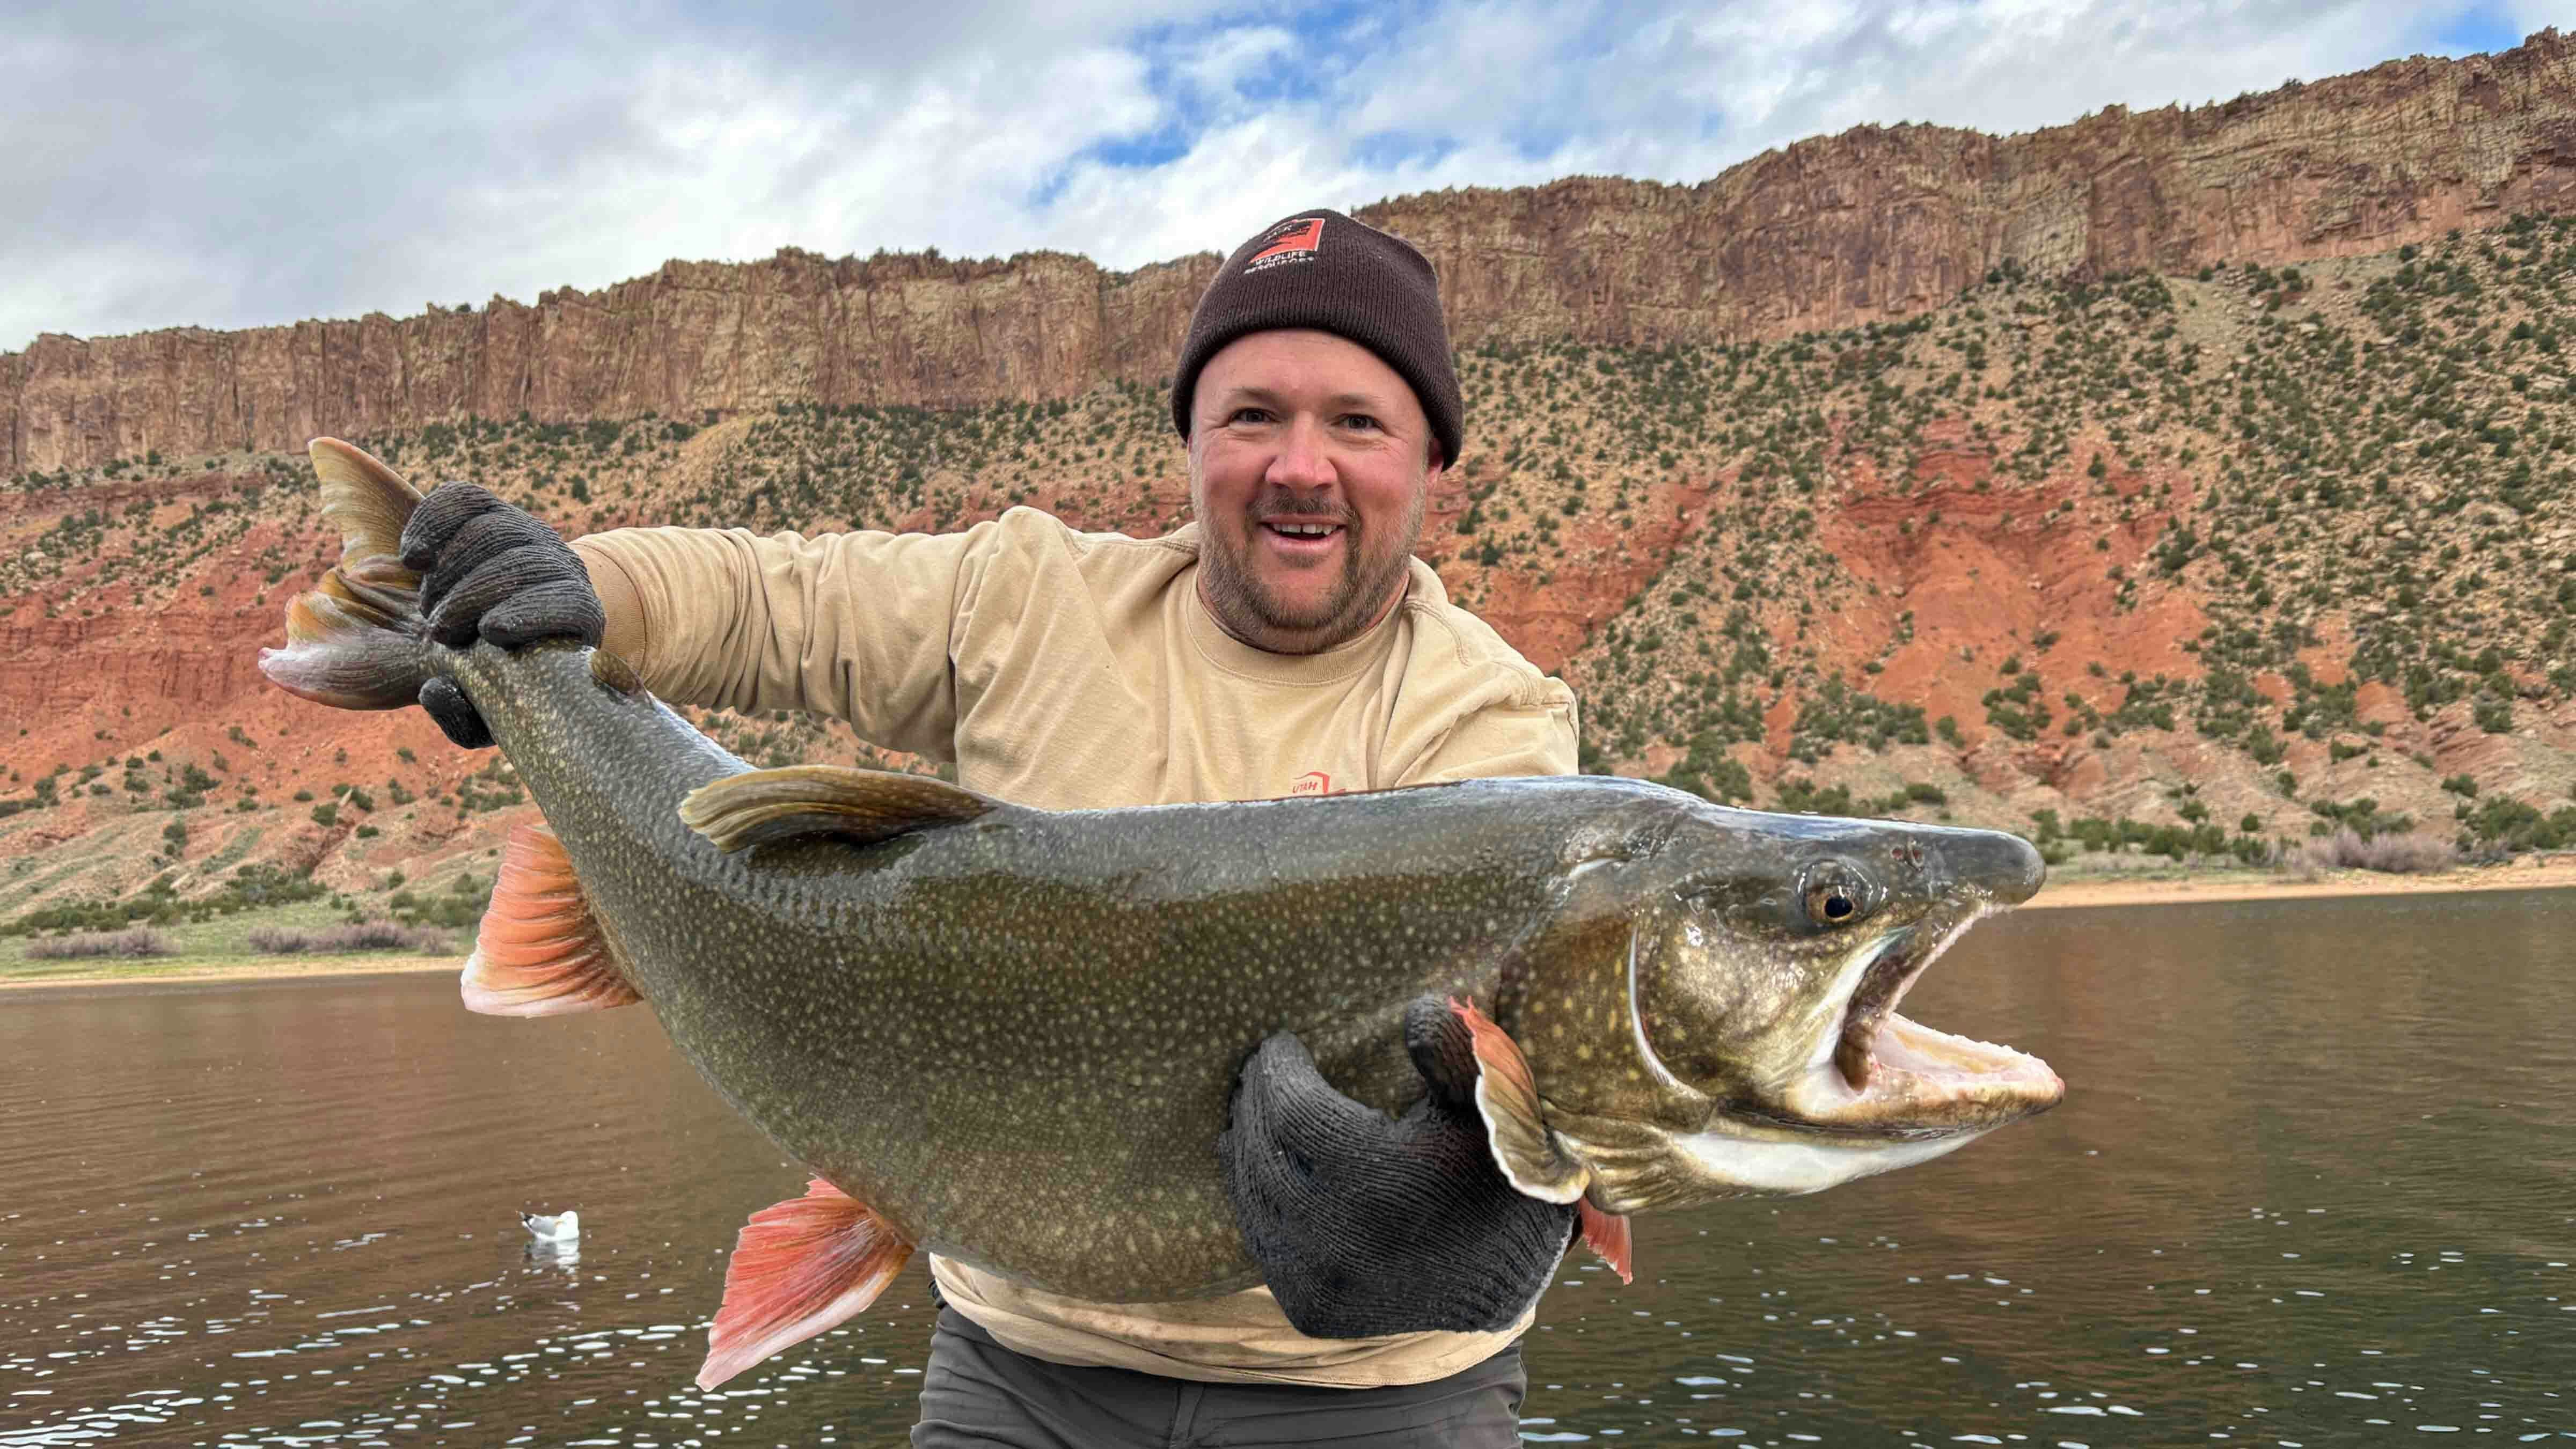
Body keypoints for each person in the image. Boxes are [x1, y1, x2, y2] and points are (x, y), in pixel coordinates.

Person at [400, 209, 1582, 1447]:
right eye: (1250, 417)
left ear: (1431, 462)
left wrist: (1484, 1218)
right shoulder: (1030, 594)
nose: (1300, 465)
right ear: (1187, 444)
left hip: (1377, 1397)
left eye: (1357, 421)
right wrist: (565, 602)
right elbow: (773, 601)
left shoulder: (1492, 725)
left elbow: (1529, 1041)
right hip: (1021, 1376)